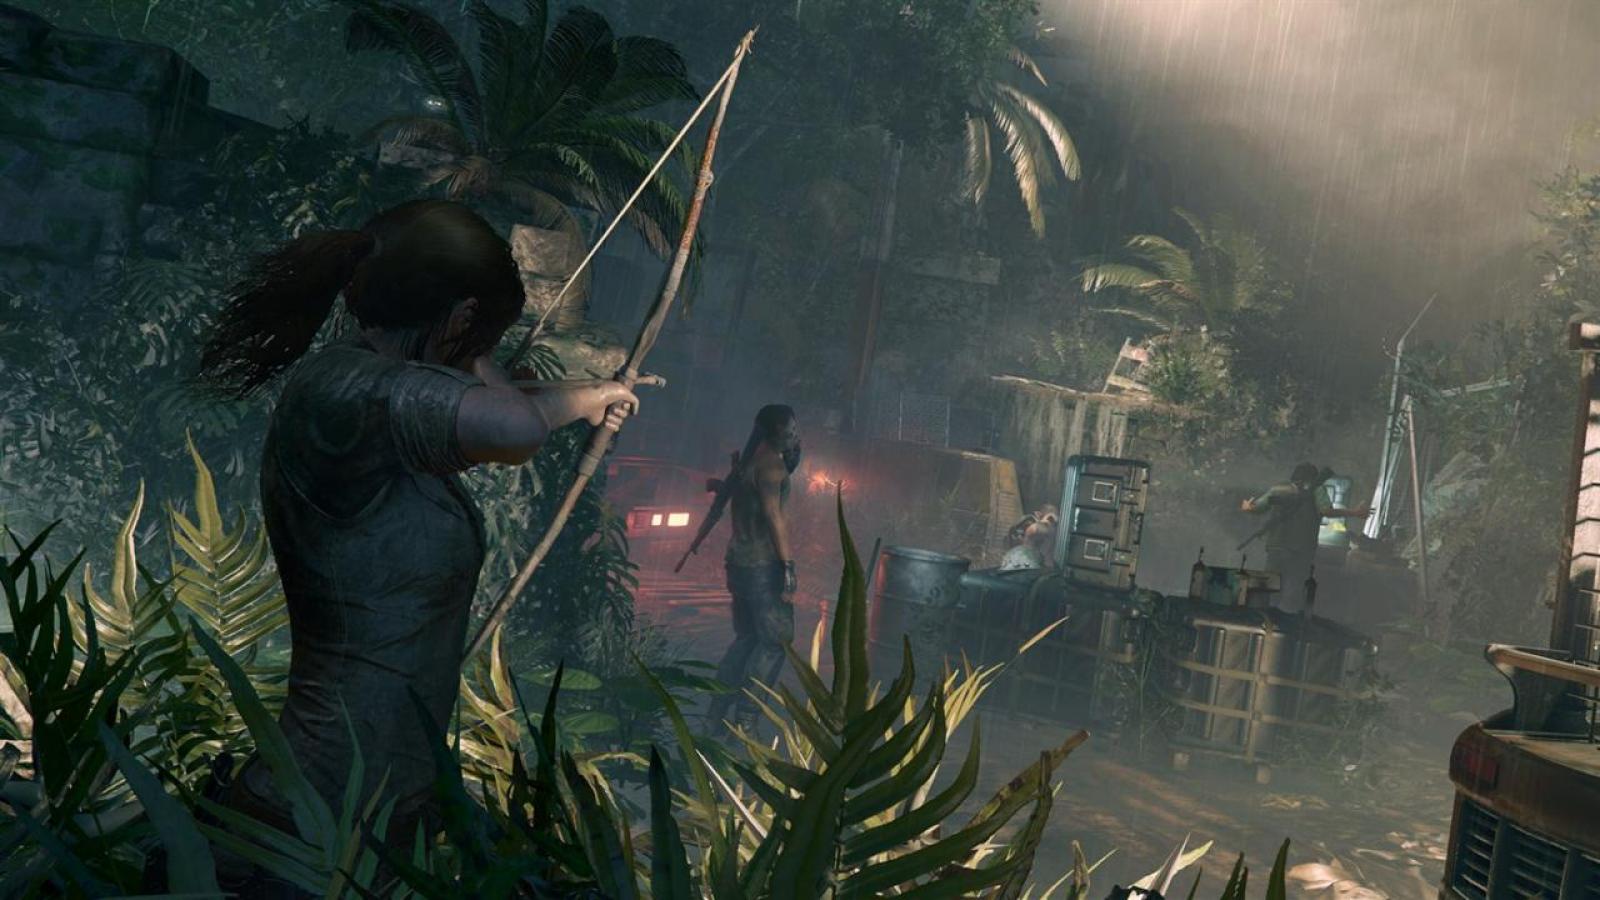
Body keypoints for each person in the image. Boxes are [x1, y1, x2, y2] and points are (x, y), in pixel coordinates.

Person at [196, 200, 638, 893]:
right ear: (460, 318)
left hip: (373, 816)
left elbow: (501, 409)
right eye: (479, 335)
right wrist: (488, 355)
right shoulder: (350, 388)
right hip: (309, 822)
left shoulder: (369, 384)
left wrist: (589, 393)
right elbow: (515, 426)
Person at [706, 404, 801, 729]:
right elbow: (774, 516)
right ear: (777, 432)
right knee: (775, 642)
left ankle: (717, 711)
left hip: (739, 563)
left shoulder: (747, 462)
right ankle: (746, 720)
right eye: (791, 431)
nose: (795, 437)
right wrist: (788, 567)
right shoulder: (771, 466)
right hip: (762, 566)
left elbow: (736, 494)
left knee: (747, 638)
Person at [1241, 463, 1368, 610]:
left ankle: (1266, 618)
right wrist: (1354, 513)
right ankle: (1286, 620)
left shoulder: (1279, 489)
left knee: (1270, 588)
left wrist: (1247, 507)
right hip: (1301, 549)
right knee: (1293, 590)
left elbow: (1256, 508)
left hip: (1277, 546)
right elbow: (1326, 511)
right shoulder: (1317, 489)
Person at [999, 504, 1059, 571]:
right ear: (1038, 515)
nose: (1052, 526)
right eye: (1050, 520)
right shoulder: (1030, 524)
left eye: (1055, 524)